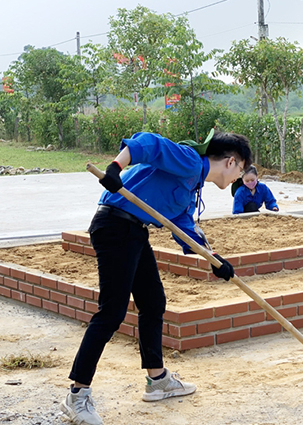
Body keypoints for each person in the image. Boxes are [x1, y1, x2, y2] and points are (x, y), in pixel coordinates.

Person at [61, 129, 252, 425]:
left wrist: (215, 260)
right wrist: (115, 167)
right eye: (241, 169)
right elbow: (149, 144)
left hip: (134, 232)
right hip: (114, 226)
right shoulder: (190, 162)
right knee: (112, 312)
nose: (238, 177)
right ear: (231, 161)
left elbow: (184, 228)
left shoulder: (191, 188)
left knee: (153, 303)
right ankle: (77, 395)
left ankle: (158, 379)